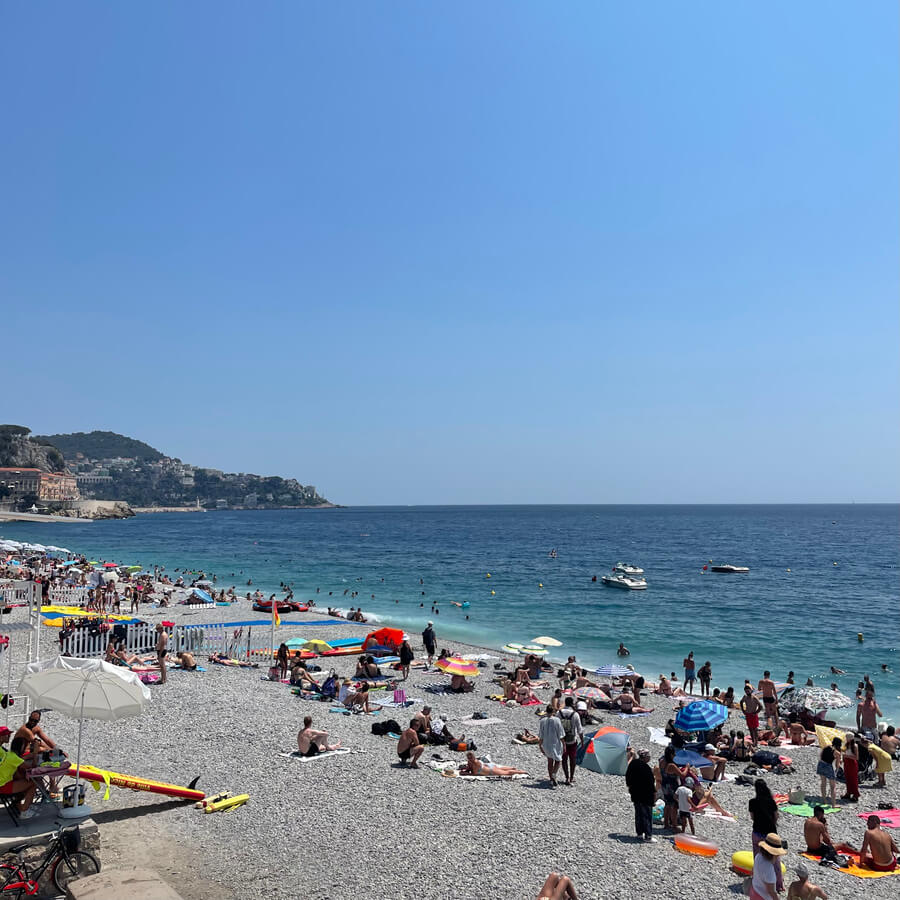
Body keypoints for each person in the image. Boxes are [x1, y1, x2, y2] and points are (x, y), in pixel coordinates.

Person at [749, 779, 782, 890]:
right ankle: (778, 884)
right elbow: (776, 815)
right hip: (770, 832)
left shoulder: (752, 802)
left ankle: (758, 880)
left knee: (757, 857)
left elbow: (752, 817)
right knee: (775, 859)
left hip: (757, 831)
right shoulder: (771, 802)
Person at [0, 727, 37, 818]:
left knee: (20, 778)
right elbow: (32, 768)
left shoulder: (4, 752)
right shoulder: (12, 757)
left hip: (3, 781)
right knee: (33, 783)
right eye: (7, 734)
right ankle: (24, 810)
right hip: (3, 785)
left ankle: (17, 805)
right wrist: (35, 754)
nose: (9, 736)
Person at [626, 748, 657, 842]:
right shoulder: (646, 768)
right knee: (647, 815)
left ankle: (639, 833)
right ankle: (648, 836)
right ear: (645, 757)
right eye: (649, 756)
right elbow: (650, 784)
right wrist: (654, 795)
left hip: (635, 793)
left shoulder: (633, 764)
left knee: (638, 814)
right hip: (646, 795)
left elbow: (628, 777)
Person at [751, 834, 787, 900]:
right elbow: (771, 891)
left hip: (754, 891)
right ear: (775, 854)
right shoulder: (769, 868)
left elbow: (753, 871)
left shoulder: (758, 856)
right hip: (763, 897)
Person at [558, 697, 584, 786]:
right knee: (572, 759)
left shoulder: (559, 713)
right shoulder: (575, 714)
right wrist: (582, 741)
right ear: (572, 704)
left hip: (562, 740)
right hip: (572, 740)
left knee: (564, 759)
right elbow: (580, 729)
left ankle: (566, 777)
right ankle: (572, 777)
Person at [538, 706, 565, 787]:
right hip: (555, 743)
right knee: (558, 760)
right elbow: (561, 733)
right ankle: (554, 774)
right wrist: (564, 744)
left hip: (546, 743)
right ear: (553, 711)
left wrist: (540, 745)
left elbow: (541, 734)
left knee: (550, 761)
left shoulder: (542, 721)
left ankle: (551, 779)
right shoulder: (557, 720)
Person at [460, 751, 527, 777]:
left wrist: (466, 773)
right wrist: (465, 771)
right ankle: (512, 768)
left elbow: (474, 774)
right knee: (500, 769)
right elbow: (469, 768)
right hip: (488, 766)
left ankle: (521, 772)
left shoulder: (474, 762)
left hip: (489, 770)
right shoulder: (472, 761)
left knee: (506, 773)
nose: (469, 759)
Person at [817, 737, 841, 807]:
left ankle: (824, 800)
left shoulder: (826, 747)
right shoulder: (837, 753)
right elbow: (837, 765)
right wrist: (838, 763)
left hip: (821, 764)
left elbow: (821, 756)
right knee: (833, 786)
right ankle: (833, 804)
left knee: (823, 783)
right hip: (828, 766)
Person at [841, 733, 859, 802]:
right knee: (847, 778)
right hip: (847, 762)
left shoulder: (855, 746)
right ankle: (848, 793)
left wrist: (846, 756)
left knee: (853, 779)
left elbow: (856, 757)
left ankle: (855, 794)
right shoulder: (847, 745)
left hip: (852, 763)